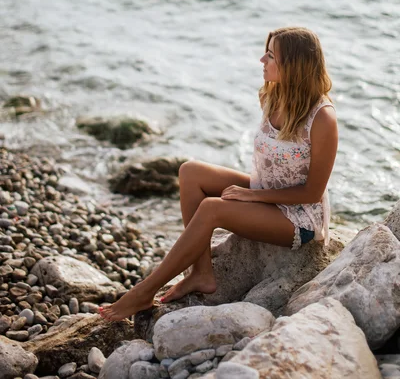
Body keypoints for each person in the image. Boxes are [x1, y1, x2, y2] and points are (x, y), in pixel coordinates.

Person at [99, 26, 338, 322]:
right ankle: (201, 273)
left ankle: (143, 292)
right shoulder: (272, 96)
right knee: (190, 172)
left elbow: (312, 193)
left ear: (294, 64)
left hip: (298, 217)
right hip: (264, 192)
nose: (262, 60)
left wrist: (252, 196)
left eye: (271, 55)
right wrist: (254, 194)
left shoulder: (322, 118)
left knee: (212, 209)